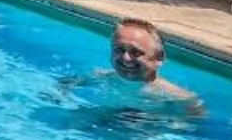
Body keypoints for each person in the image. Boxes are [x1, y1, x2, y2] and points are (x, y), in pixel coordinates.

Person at [63, 20, 202, 114]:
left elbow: (191, 128)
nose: (125, 58)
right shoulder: (99, 76)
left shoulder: (181, 98)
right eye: (119, 50)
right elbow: (63, 85)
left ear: (159, 58)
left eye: (136, 52)